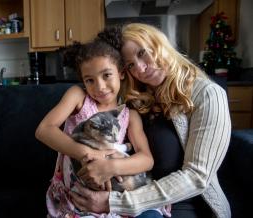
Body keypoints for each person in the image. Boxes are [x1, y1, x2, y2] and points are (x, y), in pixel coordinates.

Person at [69, 23, 231, 218]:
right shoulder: (134, 98)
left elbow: (197, 177)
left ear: (159, 43)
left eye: (142, 53)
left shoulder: (208, 95)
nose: (141, 68)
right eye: (130, 65)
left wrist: (115, 203)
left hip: (184, 204)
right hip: (131, 193)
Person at [35, 37, 170, 217]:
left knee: (152, 215)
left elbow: (146, 159)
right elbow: (44, 129)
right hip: (80, 195)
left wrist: (111, 167)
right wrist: (87, 154)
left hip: (116, 194)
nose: (99, 87)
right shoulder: (78, 97)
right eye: (89, 80)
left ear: (121, 73)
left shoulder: (130, 115)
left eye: (107, 75)